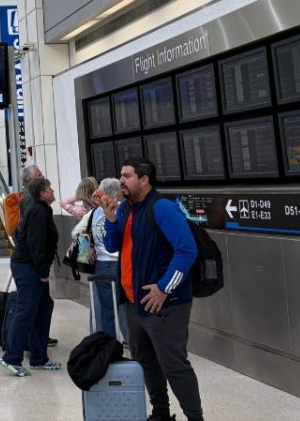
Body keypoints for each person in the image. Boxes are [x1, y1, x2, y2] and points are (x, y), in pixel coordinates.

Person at [96, 159, 202, 421]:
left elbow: (187, 250)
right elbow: (112, 245)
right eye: (120, 175)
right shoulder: (125, 210)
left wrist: (165, 287)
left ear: (144, 180)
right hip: (135, 304)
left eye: (127, 176)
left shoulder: (162, 208)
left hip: (164, 305)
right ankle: (161, 413)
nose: (121, 180)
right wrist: (110, 218)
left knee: (174, 365)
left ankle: (195, 418)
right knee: (146, 362)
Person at [0, 178, 61, 377]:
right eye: (50, 189)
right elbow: (36, 245)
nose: (53, 191)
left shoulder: (42, 210)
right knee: (26, 310)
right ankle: (11, 357)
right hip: (27, 267)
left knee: (44, 307)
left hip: (32, 266)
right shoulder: (38, 211)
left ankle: (39, 357)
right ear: (42, 193)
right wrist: (43, 272)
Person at [72, 177, 127, 343]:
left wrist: (87, 250)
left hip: (102, 266)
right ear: (117, 195)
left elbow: (76, 233)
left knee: (105, 309)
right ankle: (132, 341)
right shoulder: (123, 212)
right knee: (126, 306)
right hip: (123, 264)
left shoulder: (92, 214)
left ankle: (107, 344)